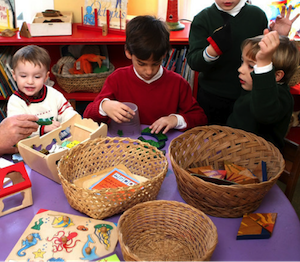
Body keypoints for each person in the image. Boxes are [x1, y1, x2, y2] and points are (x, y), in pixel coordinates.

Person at [83, 15, 207, 134]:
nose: (149, 71)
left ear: (164, 55)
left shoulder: (178, 83)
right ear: (128, 52)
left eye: (155, 63)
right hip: (123, 145)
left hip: (163, 148)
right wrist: (104, 106)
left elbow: (200, 118)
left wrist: (175, 120)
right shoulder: (116, 79)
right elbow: (88, 115)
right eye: (141, 64)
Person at [187, 0, 299, 125]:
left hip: (252, 96)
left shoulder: (257, 15)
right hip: (213, 97)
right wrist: (212, 50)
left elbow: (265, 54)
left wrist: (278, 36)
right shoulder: (202, 19)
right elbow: (194, 62)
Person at [227, 30, 299, 150]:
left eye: (251, 66)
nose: (240, 69)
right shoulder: (252, 87)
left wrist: (264, 66)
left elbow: (265, 112)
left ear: (276, 76)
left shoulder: (281, 96)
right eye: (242, 62)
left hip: (259, 163)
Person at [7, 45, 79, 137]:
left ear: (45, 77)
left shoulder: (53, 94)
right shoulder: (15, 102)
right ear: (14, 75)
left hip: (56, 141)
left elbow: (66, 112)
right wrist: (43, 129)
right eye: (23, 76)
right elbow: (18, 129)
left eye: (37, 77)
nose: (30, 82)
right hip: (28, 146)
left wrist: (75, 120)